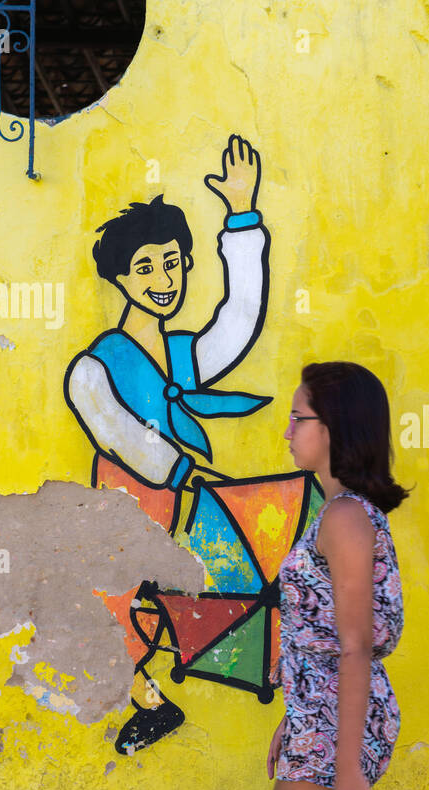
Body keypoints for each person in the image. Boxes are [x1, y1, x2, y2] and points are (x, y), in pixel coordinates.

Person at [64, 134, 272, 754]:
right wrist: (180, 470)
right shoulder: (94, 366)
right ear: (122, 279)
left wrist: (241, 217)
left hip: (179, 509)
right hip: (127, 512)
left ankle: (157, 695)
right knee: (113, 606)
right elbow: (118, 434)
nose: (164, 279)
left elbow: (239, 319)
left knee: (173, 599)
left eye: (173, 262)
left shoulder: (186, 353)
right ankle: (151, 702)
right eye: (146, 268)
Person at [260, 362, 410, 790]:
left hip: (330, 737)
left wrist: (346, 770)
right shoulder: (339, 513)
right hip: (315, 723)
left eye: (298, 417)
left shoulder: (346, 518)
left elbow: (355, 644)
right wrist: (295, 712)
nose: (288, 430)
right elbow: (321, 636)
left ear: (335, 428)